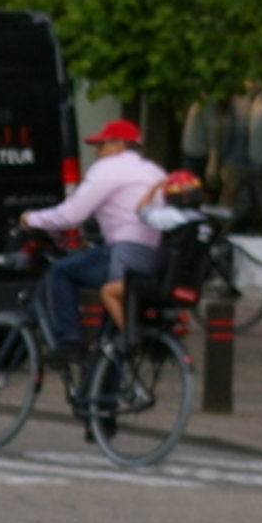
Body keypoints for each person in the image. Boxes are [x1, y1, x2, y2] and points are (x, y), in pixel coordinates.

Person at [20, 119, 166, 363]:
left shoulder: (109, 169)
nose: (97, 152)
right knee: (108, 334)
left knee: (61, 272)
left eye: (101, 145)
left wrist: (31, 219)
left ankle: (70, 342)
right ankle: (103, 394)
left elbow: (72, 214)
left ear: (119, 145)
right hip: (156, 257)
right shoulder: (154, 171)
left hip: (125, 253)